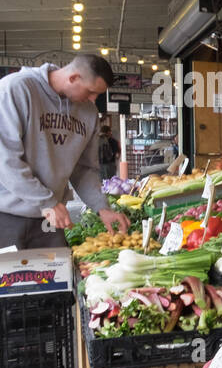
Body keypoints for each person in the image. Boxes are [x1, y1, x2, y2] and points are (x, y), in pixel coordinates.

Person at [0, 55, 129, 250]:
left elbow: (84, 169)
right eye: (91, 91)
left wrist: (102, 207)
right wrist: (48, 202)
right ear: (74, 77)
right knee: (8, 278)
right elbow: (5, 161)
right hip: (7, 214)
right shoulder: (16, 89)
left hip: (50, 221)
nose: (94, 99)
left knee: (55, 278)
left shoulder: (88, 113)